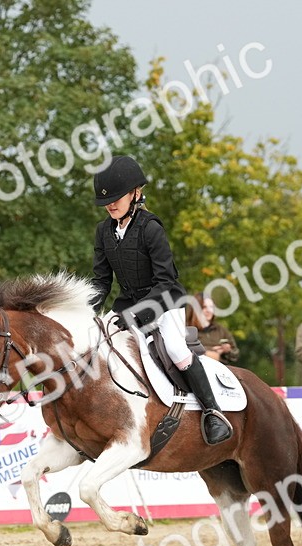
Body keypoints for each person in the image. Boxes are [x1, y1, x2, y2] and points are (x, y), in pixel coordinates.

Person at [88, 155, 232, 445]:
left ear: (135, 194)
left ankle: (213, 412)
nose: (111, 205)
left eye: (117, 198)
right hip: (126, 304)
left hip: (164, 302)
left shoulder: (151, 228)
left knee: (178, 351)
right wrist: (86, 310)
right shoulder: (104, 231)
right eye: (107, 200)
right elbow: (101, 281)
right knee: (97, 343)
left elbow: (167, 282)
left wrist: (138, 315)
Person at [188, 292, 240, 365]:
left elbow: (235, 354)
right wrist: (207, 353)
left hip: (222, 370)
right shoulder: (187, 330)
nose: (209, 310)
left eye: (211, 307)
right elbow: (182, 351)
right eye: (204, 307)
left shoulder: (221, 329)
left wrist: (227, 351)